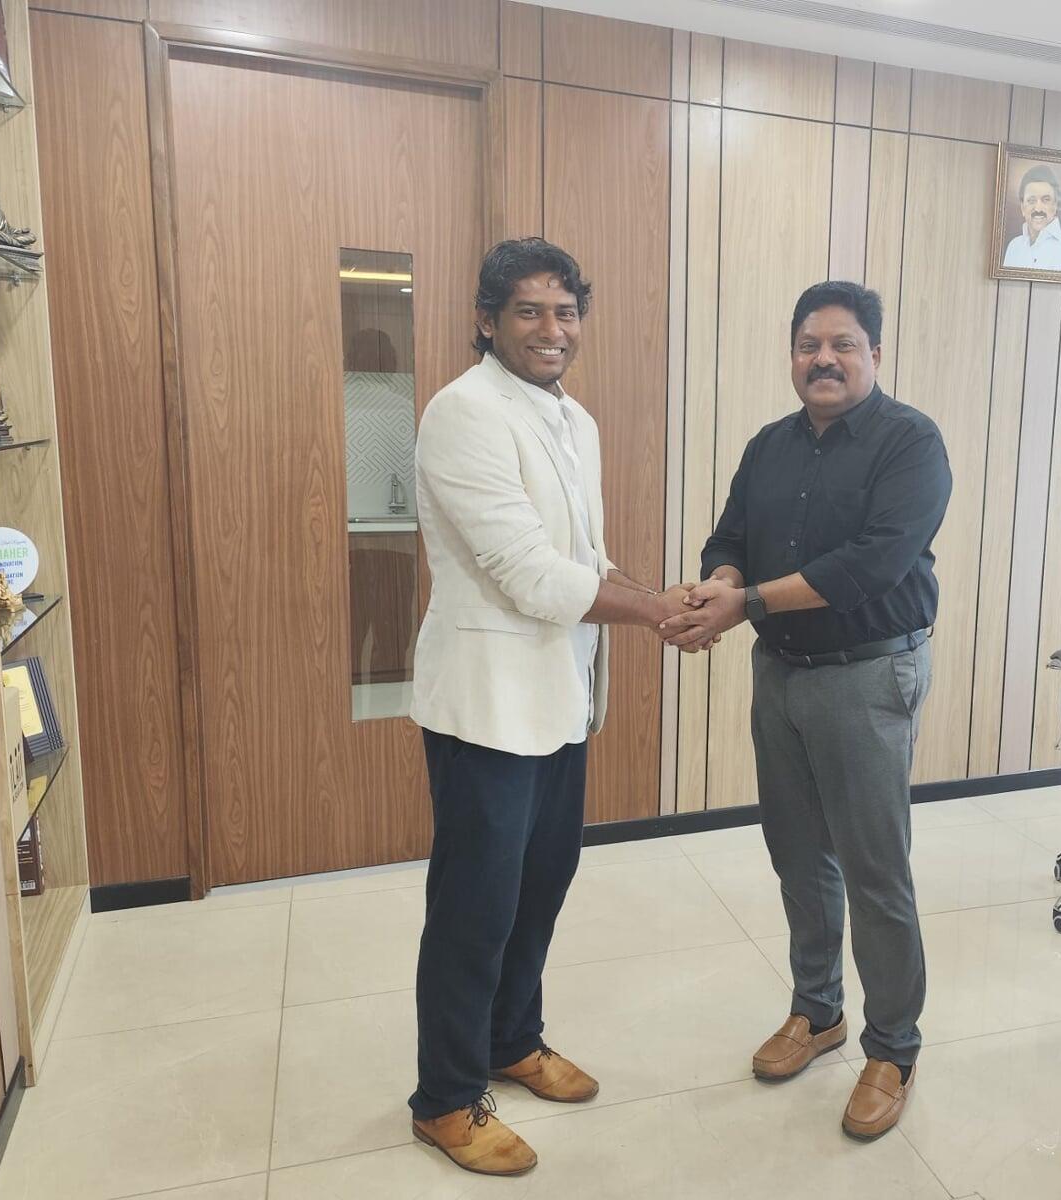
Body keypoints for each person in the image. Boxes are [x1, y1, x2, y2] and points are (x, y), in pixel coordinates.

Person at [408, 238, 692, 1176]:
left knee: (541, 885)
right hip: (487, 707)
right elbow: (527, 573)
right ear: (487, 320)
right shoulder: (464, 412)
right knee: (475, 908)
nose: (551, 329)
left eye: (566, 311)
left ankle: (511, 1040)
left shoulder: (576, 419)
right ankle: (446, 1098)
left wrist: (656, 596)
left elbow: (583, 557)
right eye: (528, 311)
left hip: (561, 700)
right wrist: (656, 613)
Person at [660, 280, 952, 1141]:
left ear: (874, 354)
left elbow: (871, 565)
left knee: (873, 867)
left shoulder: (911, 443)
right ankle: (817, 1010)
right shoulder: (770, 445)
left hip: (869, 673)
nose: (824, 359)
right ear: (793, 355)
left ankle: (892, 1047)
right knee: (797, 854)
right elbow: (730, 539)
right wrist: (719, 582)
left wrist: (743, 603)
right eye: (808, 345)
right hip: (781, 673)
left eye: (842, 344)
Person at [1001, 163, 1061, 271]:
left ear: (1055, 205)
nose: (1038, 209)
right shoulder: (1014, 247)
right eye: (1031, 200)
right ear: (1022, 208)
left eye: (1046, 200)